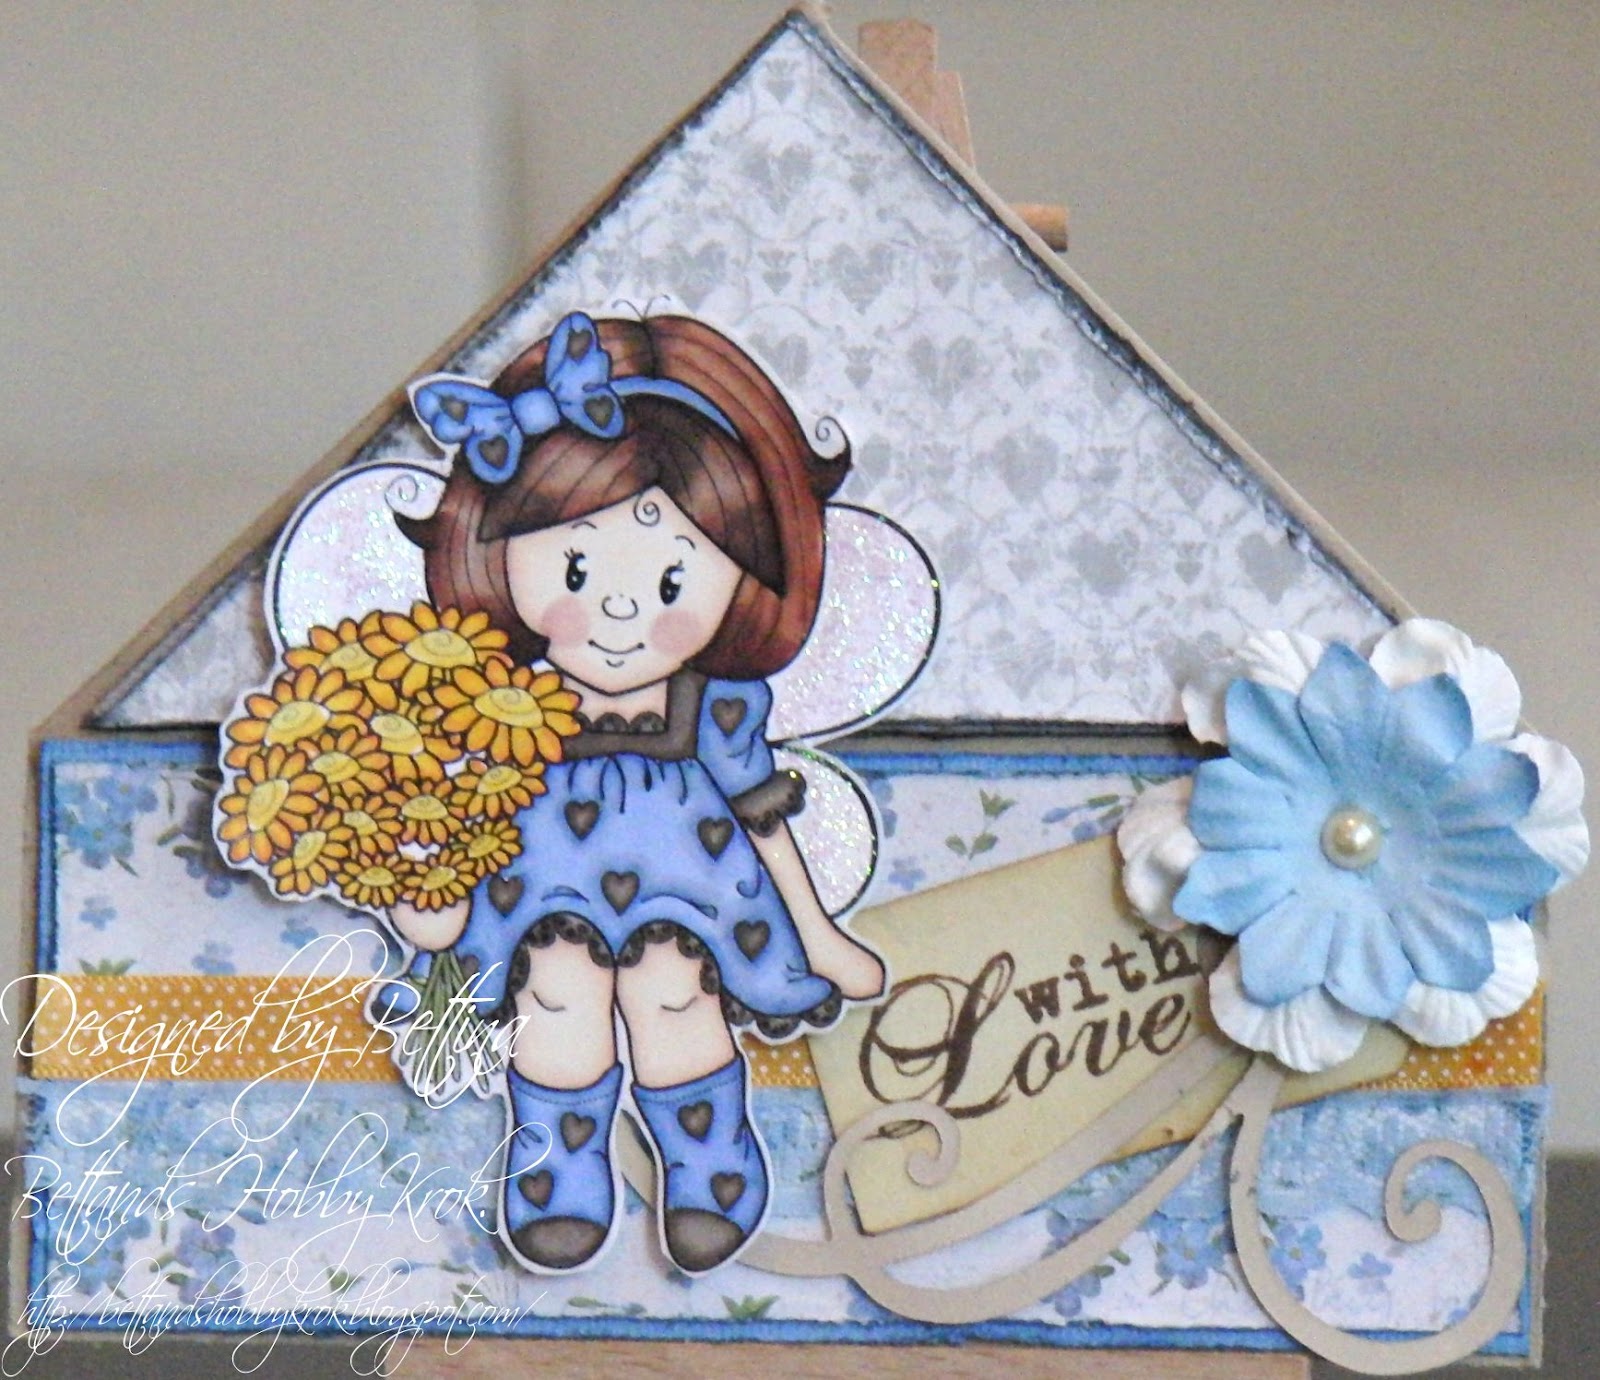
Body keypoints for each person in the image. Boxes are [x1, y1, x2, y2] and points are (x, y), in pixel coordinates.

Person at [389, 310, 885, 1274]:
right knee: (555, 1003)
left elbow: (762, 813)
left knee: (675, 1003)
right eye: (575, 567)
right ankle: (557, 1177)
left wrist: (821, 935)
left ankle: (710, 1171)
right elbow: (471, 805)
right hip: (543, 894)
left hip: (691, 895)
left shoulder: (718, 706)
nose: (619, 607)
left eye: (670, 583)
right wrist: (437, 897)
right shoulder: (503, 701)